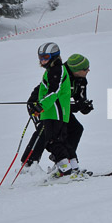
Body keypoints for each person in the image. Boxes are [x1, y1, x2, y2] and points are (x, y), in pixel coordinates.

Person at [27, 42, 73, 178]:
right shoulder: (51, 71)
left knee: (52, 141)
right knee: (57, 141)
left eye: (46, 57)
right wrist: (39, 107)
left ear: (54, 56)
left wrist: (41, 106)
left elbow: (54, 91)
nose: (42, 60)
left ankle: (65, 169)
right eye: (40, 57)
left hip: (55, 112)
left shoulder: (57, 70)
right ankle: (70, 166)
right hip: (50, 111)